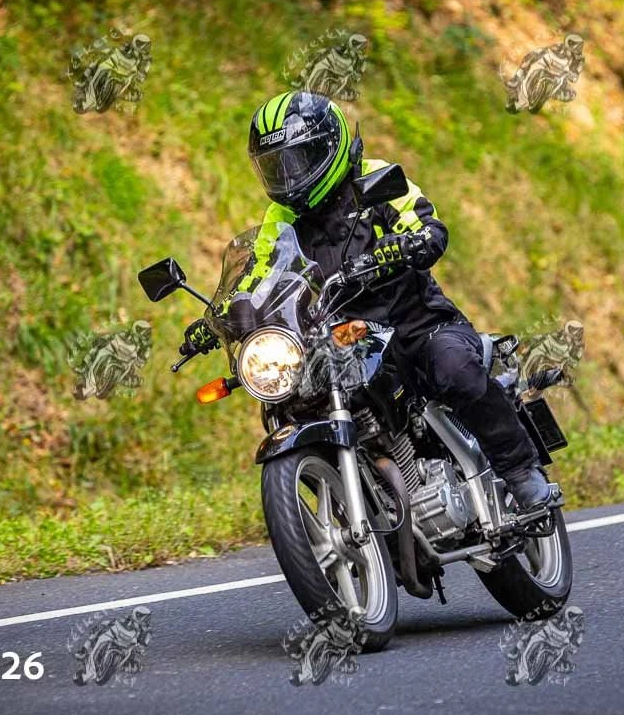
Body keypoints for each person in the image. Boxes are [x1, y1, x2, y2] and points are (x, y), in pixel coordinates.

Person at [182, 91, 553, 509]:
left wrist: (411, 242)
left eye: (298, 161)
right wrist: (222, 316)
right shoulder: (281, 218)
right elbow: (259, 276)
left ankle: (520, 471)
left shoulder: (375, 180)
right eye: (276, 166)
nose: (288, 175)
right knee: (291, 403)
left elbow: (423, 222)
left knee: (453, 368)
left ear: (329, 146)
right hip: (342, 338)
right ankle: (361, 505)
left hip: (415, 323)